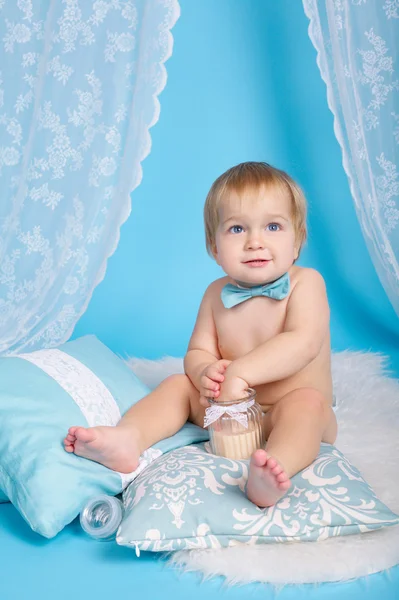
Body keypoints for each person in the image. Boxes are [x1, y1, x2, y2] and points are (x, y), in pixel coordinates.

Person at [64, 161, 337, 508]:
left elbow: (303, 342)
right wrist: (204, 372)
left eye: (273, 226)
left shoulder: (305, 283)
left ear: (297, 241)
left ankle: (273, 470)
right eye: (237, 229)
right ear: (214, 246)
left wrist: (240, 372)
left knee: (307, 406)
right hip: (226, 417)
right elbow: (198, 351)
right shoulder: (214, 293)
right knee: (178, 385)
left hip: (291, 410)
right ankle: (128, 440)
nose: (255, 242)